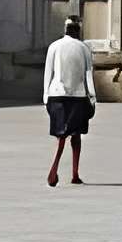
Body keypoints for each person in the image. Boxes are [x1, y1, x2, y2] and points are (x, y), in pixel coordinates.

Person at [41, 15, 96, 186]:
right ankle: (73, 173)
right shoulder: (83, 48)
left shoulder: (54, 46)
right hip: (78, 96)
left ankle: (58, 168)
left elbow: (47, 72)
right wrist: (93, 97)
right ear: (79, 29)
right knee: (76, 135)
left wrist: (45, 96)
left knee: (61, 135)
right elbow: (88, 75)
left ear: (65, 28)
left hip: (56, 94)